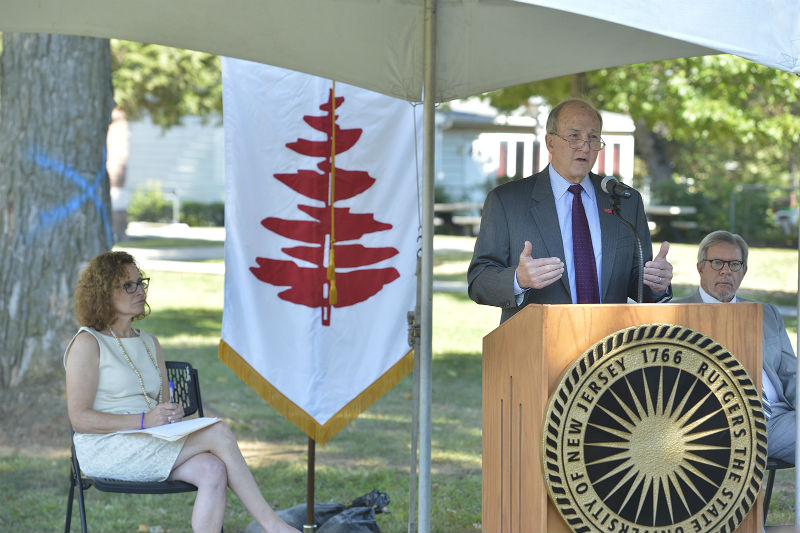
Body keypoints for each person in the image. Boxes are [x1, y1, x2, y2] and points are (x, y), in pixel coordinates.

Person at [64, 251, 299, 533]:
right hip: (107, 447)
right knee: (219, 432)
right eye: (129, 285)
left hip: (147, 441)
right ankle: (274, 526)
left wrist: (169, 413)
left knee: (213, 470)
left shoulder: (150, 343)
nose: (140, 290)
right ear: (103, 294)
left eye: (141, 282)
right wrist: (144, 420)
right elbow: (80, 419)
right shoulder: (88, 342)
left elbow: (160, 407)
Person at [468, 98, 673, 323]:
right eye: (574, 136)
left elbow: (637, 282)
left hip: (609, 347)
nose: (585, 146)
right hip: (539, 346)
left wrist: (656, 283)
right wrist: (518, 279)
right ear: (550, 142)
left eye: (593, 137)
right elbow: (479, 281)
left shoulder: (625, 200)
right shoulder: (507, 201)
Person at [673, 230, 796, 464]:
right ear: (700, 267)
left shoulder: (767, 313)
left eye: (735, 264)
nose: (726, 271)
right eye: (717, 262)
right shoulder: (676, 313)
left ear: (744, 270)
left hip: (776, 417)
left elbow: (792, 373)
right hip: (715, 424)